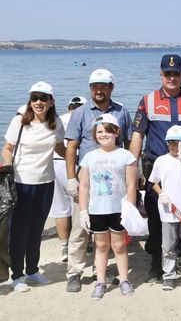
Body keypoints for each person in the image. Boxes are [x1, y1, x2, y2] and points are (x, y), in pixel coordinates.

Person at [129, 54, 181, 282]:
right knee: (157, 219)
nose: (172, 77)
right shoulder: (148, 100)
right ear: (161, 74)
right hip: (158, 167)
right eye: (167, 73)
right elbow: (137, 135)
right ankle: (158, 262)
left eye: (176, 73)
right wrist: (132, 169)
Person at [64, 69, 133, 292]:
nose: (99, 90)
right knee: (80, 229)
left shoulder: (121, 111)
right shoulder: (81, 113)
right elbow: (72, 146)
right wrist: (71, 177)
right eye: (94, 86)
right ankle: (74, 271)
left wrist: (135, 173)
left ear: (111, 87)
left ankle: (99, 272)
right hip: (86, 177)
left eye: (103, 86)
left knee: (109, 236)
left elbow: (130, 142)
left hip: (114, 180)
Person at [0, 81, 66, 292]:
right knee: (19, 230)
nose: (38, 102)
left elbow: (60, 149)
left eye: (43, 98)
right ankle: (17, 275)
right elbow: (7, 148)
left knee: (36, 229)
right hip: (21, 182)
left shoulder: (56, 122)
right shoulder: (20, 121)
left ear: (51, 101)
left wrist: (80, 163)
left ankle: (32, 271)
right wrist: (8, 166)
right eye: (34, 97)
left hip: (46, 182)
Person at [77, 113, 136, 300]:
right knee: (101, 246)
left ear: (117, 132)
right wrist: (83, 210)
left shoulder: (126, 156)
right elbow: (84, 186)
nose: (104, 135)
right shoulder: (89, 157)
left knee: (119, 246)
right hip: (97, 210)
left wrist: (131, 209)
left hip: (119, 209)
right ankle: (100, 282)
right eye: (100, 131)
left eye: (108, 131)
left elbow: (131, 185)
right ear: (95, 134)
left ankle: (124, 279)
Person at [148, 125, 181, 291]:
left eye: (179, 143)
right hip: (168, 211)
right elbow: (153, 182)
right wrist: (161, 193)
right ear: (167, 143)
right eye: (172, 142)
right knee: (168, 246)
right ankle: (169, 275)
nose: (175, 146)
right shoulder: (160, 160)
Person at [50, 96, 86, 262]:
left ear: (69, 107)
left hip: (56, 164)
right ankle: (87, 244)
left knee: (61, 208)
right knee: (83, 206)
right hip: (75, 163)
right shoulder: (84, 117)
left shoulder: (58, 119)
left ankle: (65, 247)